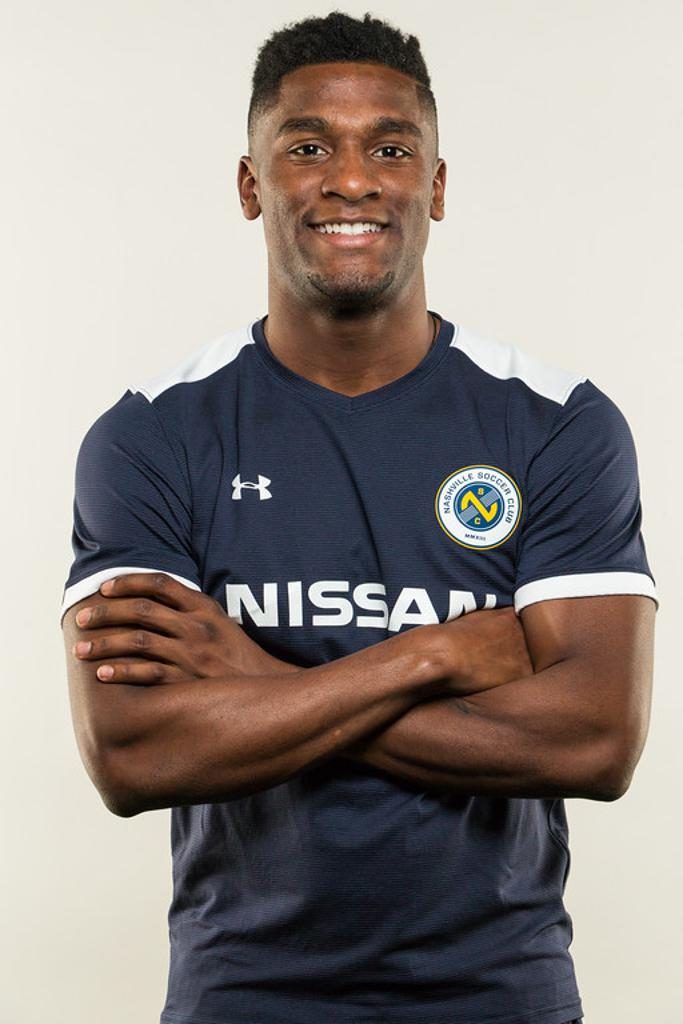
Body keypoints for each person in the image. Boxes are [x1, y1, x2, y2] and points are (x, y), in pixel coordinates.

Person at [61, 12, 656, 1024]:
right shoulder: (151, 436)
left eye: (389, 148)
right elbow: (132, 755)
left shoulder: (557, 423)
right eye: (306, 148)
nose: (349, 180)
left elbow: (595, 742)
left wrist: (255, 681)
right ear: (249, 186)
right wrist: (432, 655)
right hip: (241, 994)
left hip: (499, 994)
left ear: (435, 186)